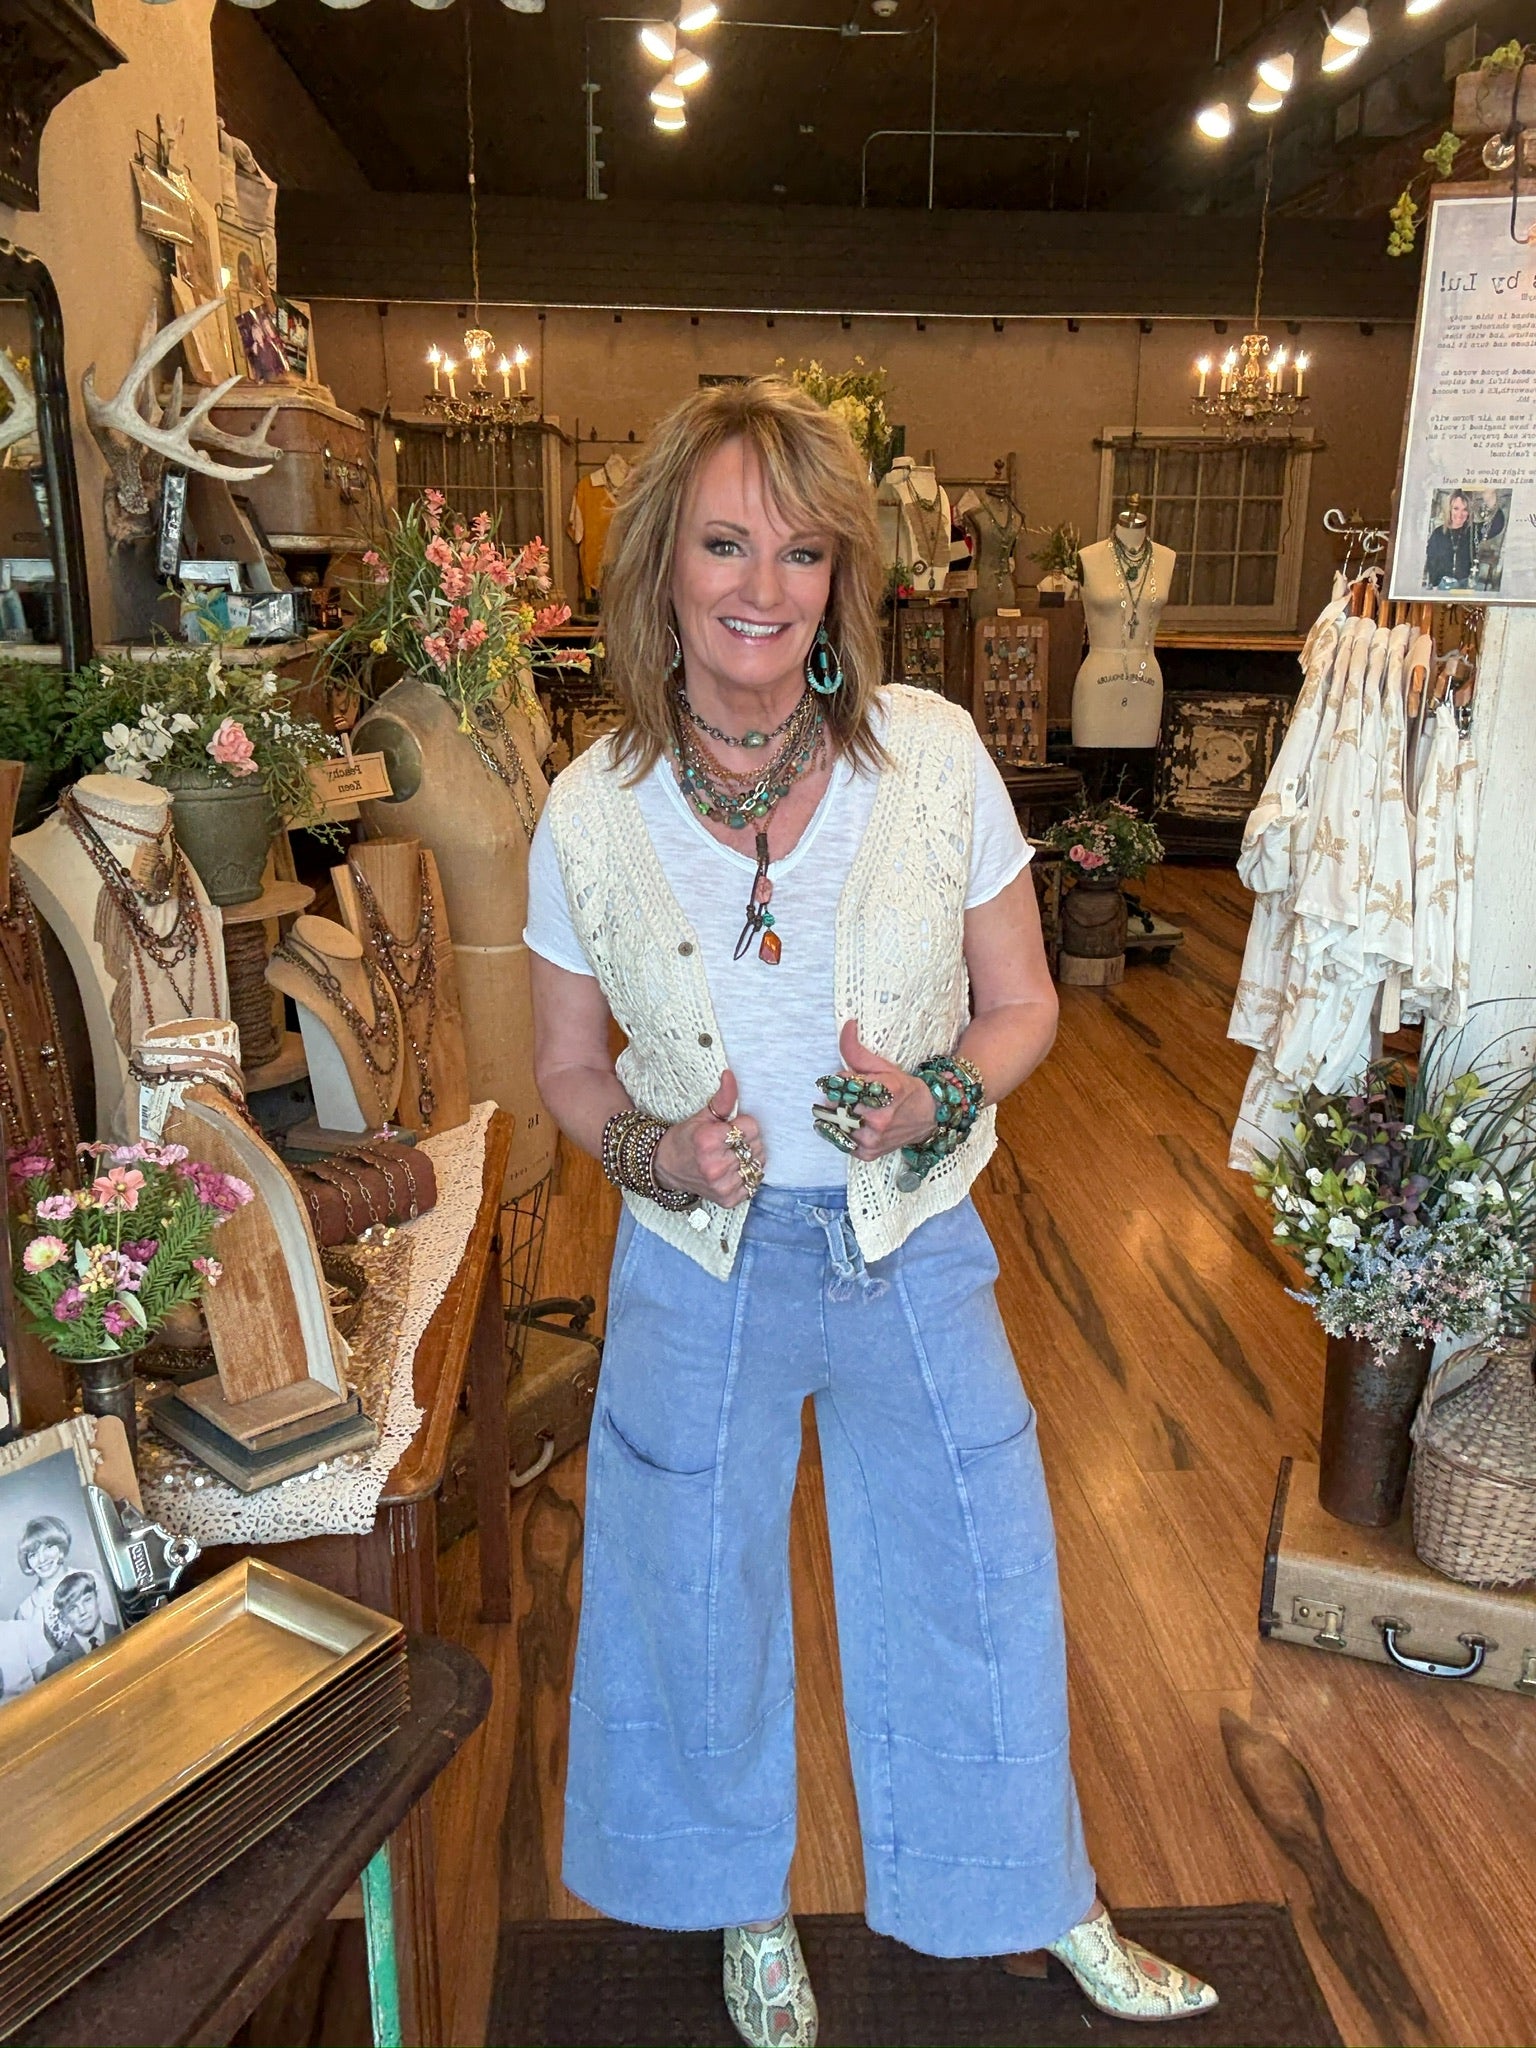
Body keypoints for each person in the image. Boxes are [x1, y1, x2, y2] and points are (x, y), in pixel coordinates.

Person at [526, 377, 1219, 2045]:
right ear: (660, 567)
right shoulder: (588, 811)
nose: (763, 586)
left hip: (908, 1239)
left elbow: (1025, 1002)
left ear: (844, 576)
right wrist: (655, 1154)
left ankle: (1035, 1889)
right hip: (701, 1263)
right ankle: (737, 1904)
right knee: (693, 1586)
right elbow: (565, 1067)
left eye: (803, 549)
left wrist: (939, 1096)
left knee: (981, 1566)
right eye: (724, 543)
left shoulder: (935, 761)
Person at [1423, 490, 1473, 589]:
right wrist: (1435, 583)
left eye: (1465, 509)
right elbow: (1431, 560)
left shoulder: (1472, 532)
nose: (1460, 514)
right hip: (1442, 585)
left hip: (1465, 585)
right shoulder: (1438, 533)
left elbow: (1496, 525)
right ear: (1449, 510)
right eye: (1456, 508)